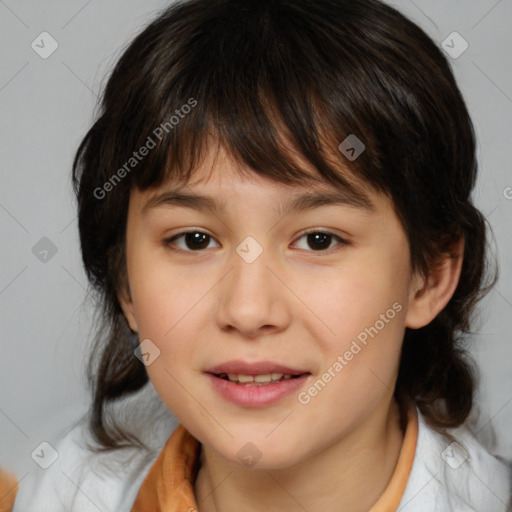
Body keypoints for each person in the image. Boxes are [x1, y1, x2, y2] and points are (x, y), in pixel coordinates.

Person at [7, 0, 512, 510]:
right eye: (194, 240)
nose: (248, 311)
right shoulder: (60, 490)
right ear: (124, 281)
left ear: (430, 276)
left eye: (318, 240)